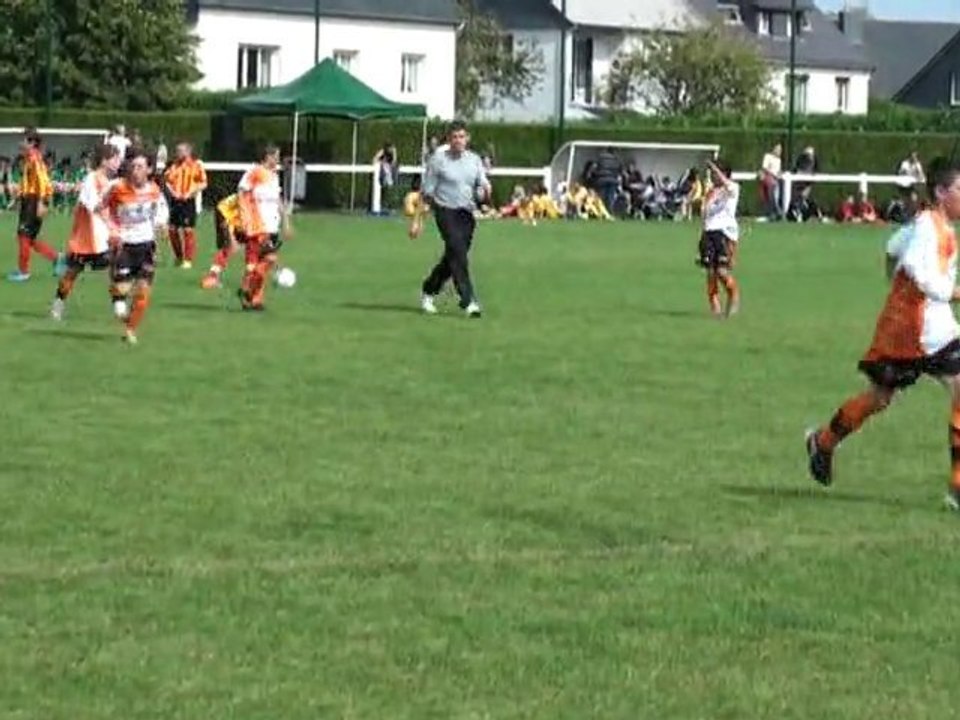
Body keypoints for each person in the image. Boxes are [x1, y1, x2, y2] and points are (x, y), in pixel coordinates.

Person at [805, 157, 960, 510]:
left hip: (930, 325)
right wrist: (951, 292)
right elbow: (917, 272)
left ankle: (956, 486)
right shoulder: (927, 227)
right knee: (880, 397)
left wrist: (895, 281)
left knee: (933, 390)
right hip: (911, 329)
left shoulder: (936, 225)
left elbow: (892, 249)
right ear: (941, 191)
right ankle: (823, 442)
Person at [409, 119, 490, 318]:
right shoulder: (438, 160)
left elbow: (483, 185)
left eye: (462, 137)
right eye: (454, 137)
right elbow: (426, 193)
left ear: (467, 138)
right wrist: (417, 221)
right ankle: (468, 300)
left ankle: (429, 289)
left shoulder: (474, 160)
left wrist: (486, 192)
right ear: (449, 139)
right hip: (445, 211)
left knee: (454, 257)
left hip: (466, 214)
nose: (458, 141)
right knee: (458, 252)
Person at [103, 147, 169, 344]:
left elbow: (161, 211)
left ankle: (130, 330)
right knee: (121, 289)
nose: (135, 170)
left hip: (146, 245)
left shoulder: (154, 190)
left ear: (149, 170)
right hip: (124, 245)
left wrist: (162, 224)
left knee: (143, 293)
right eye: (133, 166)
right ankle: (117, 298)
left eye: (140, 167)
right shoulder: (116, 187)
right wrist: (112, 229)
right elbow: (102, 208)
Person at [50, 144, 122, 321]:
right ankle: (57, 305)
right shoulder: (92, 179)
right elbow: (92, 205)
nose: (118, 162)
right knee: (72, 273)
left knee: (115, 268)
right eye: (114, 158)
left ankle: (119, 305)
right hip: (87, 237)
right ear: (104, 160)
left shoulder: (110, 181)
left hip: (105, 237)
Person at [236, 144, 291, 311]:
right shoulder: (255, 172)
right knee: (258, 261)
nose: (278, 160)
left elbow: (278, 199)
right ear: (267, 157)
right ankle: (251, 295)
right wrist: (244, 217)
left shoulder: (274, 176)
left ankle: (251, 295)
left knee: (265, 263)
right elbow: (241, 193)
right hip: (257, 225)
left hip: (272, 226)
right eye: (276, 156)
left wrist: (286, 222)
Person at [8, 129, 65, 282]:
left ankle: (23, 271)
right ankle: (57, 258)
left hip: (34, 201)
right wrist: (18, 198)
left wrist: (41, 202)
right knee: (29, 238)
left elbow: (43, 182)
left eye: (25, 140)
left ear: (32, 143)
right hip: (29, 200)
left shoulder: (34, 159)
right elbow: (28, 182)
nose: (22, 143)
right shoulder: (29, 159)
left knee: (23, 235)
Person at [697, 159, 741, 317]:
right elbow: (705, 214)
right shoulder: (711, 192)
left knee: (722, 271)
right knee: (710, 272)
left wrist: (714, 168)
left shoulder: (733, 188)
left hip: (724, 234)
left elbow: (726, 184)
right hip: (709, 233)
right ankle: (715, 308)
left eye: (716, 173)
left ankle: (734, 295)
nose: (714, 176)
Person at [163, 142, 207, 268]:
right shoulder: (173, 166)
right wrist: (173, 192)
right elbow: (167, 182)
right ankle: (179, 257)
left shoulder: (196, 165)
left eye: (181, 151)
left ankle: (188, 259)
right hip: (176, 201)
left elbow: (203, 183)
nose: (178, 153)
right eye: (177, 151)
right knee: (172, 230)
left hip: (188, 201)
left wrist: (191, 192)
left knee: (188, 230)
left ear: (188, 151)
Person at [200, 192, 244, 289]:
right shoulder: (247, 198)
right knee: (228, 247)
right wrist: (232, 240)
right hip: (224, 213)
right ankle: (212, 277)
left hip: (231, 213)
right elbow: (228, 221)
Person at [759, 143, 783, 220]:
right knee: (769, 196)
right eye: (777, 149)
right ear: (774, 149)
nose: (779, 151)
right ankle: (775, 212)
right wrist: (773, 175)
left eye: (780, 150)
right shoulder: (768, 156)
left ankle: (775, 212)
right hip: (768, 178)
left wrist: (779, 174)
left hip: (775, 180)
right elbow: (765, 168)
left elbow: (778, 170)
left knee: (774, 196)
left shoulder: (779, 160)